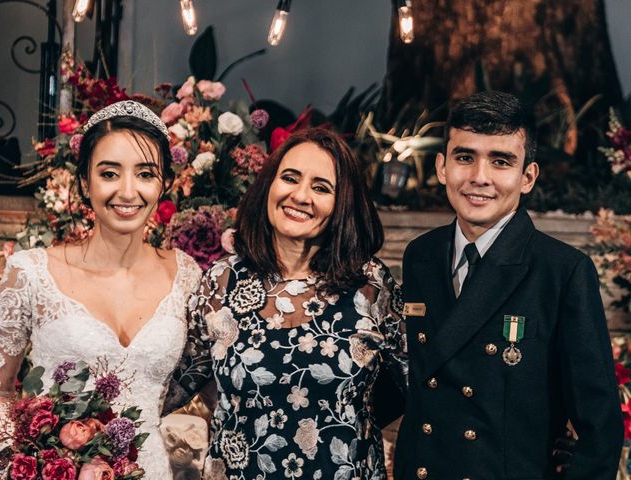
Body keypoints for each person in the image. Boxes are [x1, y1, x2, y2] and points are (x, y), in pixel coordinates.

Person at [394, 91, 623, 479]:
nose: (479, 177)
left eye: (501, 161)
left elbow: (600, 431)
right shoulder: (421, 255)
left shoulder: (563, 272)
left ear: (528, 176)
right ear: (442, 166)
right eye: (465, 157)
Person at [163, 128, 407, 479]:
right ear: (269, 186)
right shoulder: (222, 280)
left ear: (343, 204)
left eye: (321, 187)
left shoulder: (370, 285)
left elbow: (419, 387)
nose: (301, 196)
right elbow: (170, 385)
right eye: (290, 178)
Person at [0, 100, 202, 479]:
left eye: (145, 174)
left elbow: (196, 378)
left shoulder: (187, 275)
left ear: (164, 184)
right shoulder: (30, 273)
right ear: (86, 182)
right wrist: (17, 464)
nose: (127, 191)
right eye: (109, 173)